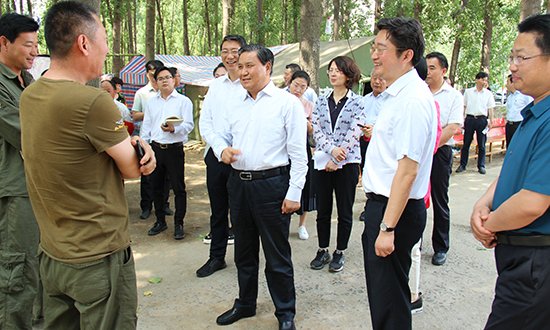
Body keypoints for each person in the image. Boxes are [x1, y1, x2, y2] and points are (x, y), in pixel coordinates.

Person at [19, 2, 156, 328]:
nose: (107, 49)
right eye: (104, 40)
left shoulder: (30, 94)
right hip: (97, 257)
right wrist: (142, 149)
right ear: (83, 43)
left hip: (53, 254)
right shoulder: (94, 101)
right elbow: (132, 169)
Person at [215, 44, 307, 330]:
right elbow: (219, 134)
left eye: (249, 65)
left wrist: (294, 192)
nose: (242, 71)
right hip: (239, 185)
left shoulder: (287, 102)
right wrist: (222, 150)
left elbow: (299, 154)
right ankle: (245, 303)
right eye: (239, 66)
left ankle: (285, 313)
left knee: (277, 254)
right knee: (243, 250)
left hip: (273, 186)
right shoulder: (234, 102)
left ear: (267, 67)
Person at [470, 14, 550, 329]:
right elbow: (511, 171)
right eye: (511, 57)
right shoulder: (534, 112)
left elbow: (533, 201)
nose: (512, 66)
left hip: (535, 264)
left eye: (521, 57)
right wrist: (483, 203)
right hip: (519, 258)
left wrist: (489, 225)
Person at [361, 17, 437, 330]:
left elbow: (407, 172)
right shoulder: (396, 95)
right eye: (374, 47)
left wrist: (387, 227)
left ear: (406, 55)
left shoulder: (412, 100)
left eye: (382, 49)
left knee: (389, 301)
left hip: (395, 211)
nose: (374, 55)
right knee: (387, 298)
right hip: (387, 207)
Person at [0, 12, 40, 330]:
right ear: (4, 43)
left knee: (37, 264)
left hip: (35, 187)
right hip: (15, 191)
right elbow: (29, 134)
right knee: (17, 268)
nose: (34, 51)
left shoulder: (27, 81)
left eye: (36, 44)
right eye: (28, 44)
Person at [197, 35, 247, 277]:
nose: (230, 56)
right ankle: (217, 257)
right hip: (217, 157)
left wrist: (234, 149)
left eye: (235, 51)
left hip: (243, 159)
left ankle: (245, 260)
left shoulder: (251, 84)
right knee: (218, 210)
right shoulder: (215, 86)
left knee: (242, 212)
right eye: (225, 51)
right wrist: (220, 148)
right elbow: (205, 122)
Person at [310, 56, 364, 273]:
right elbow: (316, 128)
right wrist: (331, 152)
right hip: (323, 160)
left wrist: (337, 158)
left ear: (348, 75)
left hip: (348, 162)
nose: (332, 74)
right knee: (323, 208)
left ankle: (340, 251)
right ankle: (322, 249)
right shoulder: (321, 101)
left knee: (344, 209)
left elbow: (355, 130)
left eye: (338, 71)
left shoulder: (357, 101)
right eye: (330, 70)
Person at [141, 66, 194, 240]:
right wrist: (144, 148)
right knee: (156, 187)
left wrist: (174, 128)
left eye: (168, 77)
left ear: (174, 80)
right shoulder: (152, 102)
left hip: (174, 149)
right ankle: (160, 221)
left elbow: (188, 126)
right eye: (160, 78)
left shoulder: (183, 101)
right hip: (156, 149)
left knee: (179, 188)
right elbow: (146, 126)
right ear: (155, 82)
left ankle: (179, 224)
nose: (164, 81)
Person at [424, 52, 464, 266]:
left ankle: (440, 247)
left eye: (432, 68)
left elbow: (451, 127)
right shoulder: (420, 92)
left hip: (440, 152)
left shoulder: (454, 96)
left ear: (444, 71)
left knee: (440, 200)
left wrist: (430, 147)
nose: (428, 71)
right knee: (416, 197)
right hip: (418, 152)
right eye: (426, 67)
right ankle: (414, 243)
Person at [132, 59, 172, 220]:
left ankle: (164, 205)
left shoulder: (169, 93)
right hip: (149, 140)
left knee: (166, 177)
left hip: (166, 140)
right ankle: (146, 206)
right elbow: (135, 115)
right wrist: (152, 111)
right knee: (147, 176)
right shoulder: (142, 93)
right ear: (148, 74)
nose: (156, 76)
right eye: (152, 72)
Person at [288, 70, 316, 240]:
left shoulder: (309, 106)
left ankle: (302, 225)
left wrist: (304, 121)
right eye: (296, 85)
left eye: (302, 87)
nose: (298, 89)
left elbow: (313, 131)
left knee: (304, 186)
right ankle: (283, 223)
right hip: (283, 149)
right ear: (289, 83)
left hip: (303, 148)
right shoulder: (280, 101)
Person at [456, 71, 495, 175]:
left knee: (481, 144)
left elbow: (491, 109)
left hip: (482, 120)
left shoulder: (488, 94)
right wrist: (461, 119)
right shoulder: (468, 92)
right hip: (470, 119)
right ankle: (463, 164)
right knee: (466, 143)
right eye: (482, 79)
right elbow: (463, 106)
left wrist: (491, 121)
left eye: (486, 80)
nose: (484, 82)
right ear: (477, 80)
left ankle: (481, 165)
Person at [504, 74, 533, 148]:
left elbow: (531, 110)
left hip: (519, 125)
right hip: (509, 125)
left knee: (518, 147)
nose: (506, 85)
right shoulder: (510, 97)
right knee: (509, 147)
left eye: (507, 82)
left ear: (513, 82)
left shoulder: (525, 95)